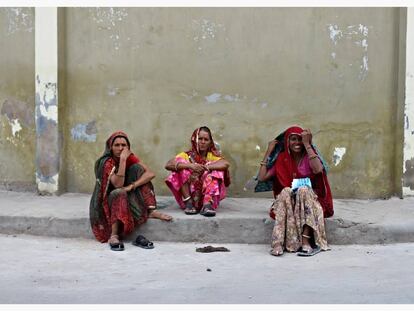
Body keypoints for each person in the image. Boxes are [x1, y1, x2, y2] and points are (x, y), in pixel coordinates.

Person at [257, 125, 333, 257]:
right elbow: (262, 177)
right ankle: (277, 243)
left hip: (309, 201)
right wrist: (268, 152)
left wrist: (307, 144)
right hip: (288, 202)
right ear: (287, 141)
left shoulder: (309, 156)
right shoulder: (282, 158)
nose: (297, 143)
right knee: (286, 191)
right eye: (293, 139)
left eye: (300, 139)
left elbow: (318, 170)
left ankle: (306, 241)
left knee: (303, 190)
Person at [89, 131, 172, 251]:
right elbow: (118, 184)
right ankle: (114, 235)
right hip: (108, 203)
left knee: (138, 170)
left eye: (124, 145)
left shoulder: (130, 157)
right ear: (110, 148)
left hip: (126, 195)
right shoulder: (106, 162)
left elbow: (150, 174)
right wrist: (123, 161)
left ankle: (150, 211)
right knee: (119, 193)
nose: (120, 148)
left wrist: (131, 186)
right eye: (116, 145)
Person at [165, 126, 230, 217]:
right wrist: (191, 166)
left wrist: (205, 167)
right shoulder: (186, 155)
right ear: (194, 139)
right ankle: (189, 202)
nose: (202, 142)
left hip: (207, 200)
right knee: (181, 165)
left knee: (217, 170)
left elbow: (225, 164)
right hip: (189, 198)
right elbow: (168, 164)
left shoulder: (212, 156)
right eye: (200, 139)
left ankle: (207, 205)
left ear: (210, 142)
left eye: (206, 140)